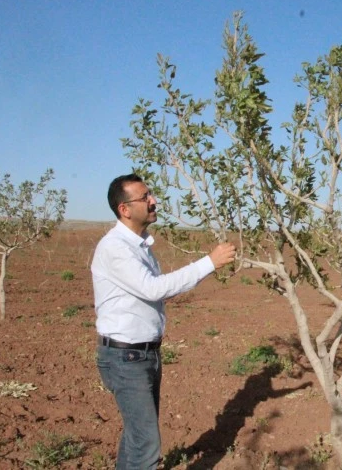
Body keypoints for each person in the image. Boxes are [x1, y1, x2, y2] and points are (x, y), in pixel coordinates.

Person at [91, 173, 236, 469]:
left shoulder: (139, 245)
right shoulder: (116, 248)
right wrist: (210, 262)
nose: (153, 200)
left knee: (137, 436)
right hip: (126, 356)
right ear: (125, 209)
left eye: (150, 195)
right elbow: (154, 289)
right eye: (145, 197)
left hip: (143, 354)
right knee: (145, 441)